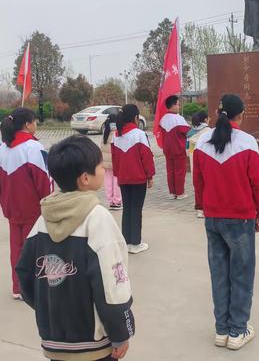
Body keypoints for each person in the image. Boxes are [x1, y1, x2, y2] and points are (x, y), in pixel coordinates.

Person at [16, 135, 134, 361]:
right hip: (93, 344)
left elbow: (24, 272)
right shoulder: (97, 219)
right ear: (85, 178)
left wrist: (46, 310)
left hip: (54, 339)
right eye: (100, 165)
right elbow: (112, 285)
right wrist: (121, 333)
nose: (104, 168)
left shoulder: (43, 219)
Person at [193, 94, 259, 351]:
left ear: (217, 112)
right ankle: (238, 330)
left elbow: (198, 182)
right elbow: (257, 183)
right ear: (241, 115)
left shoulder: (202, 141)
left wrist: (202, 206)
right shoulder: (247, 143)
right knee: (242, 274)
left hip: (212, 218)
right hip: (240, 217)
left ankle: (221, 330)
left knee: (219, 274)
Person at [0, 108, 52, 300]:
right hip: (32, 208)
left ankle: (18, 287)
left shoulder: (3, 147)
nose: (36, 124)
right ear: (28, 124)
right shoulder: (33, 147)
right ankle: (34, 289)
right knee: (36, 249)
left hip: (11, 207)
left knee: (17, 248)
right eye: (35, 121)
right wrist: (48, 203)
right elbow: (43, 180)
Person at [111, 104, 155, 254]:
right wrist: (150, 176)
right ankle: (135, 243)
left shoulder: (116, 134)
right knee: (136, 209)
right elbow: (147, 157)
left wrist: (118, 174)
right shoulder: (139, 134)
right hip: (138, 178)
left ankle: (127, 240)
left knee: (127, 209)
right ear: (136, 118)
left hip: (123, 178)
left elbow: (114, 158)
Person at [160, 95, 190, 200]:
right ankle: (180, 193)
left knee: (170, 171)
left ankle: (172, 192)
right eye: (178, 104)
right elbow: (188, 132)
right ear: (172, 105)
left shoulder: (162, 119)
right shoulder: (179, 119)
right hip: (178, 149)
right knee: (180, 171)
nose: (179, 106)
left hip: (167, 149)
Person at [187, 110, 211, 218]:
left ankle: (199, 209)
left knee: (197, 183)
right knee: (207, 182)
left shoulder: (191, 132)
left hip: (193, 155)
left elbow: (187, 148)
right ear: (205, 120)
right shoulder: (208, 131)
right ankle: (206, 207)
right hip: (205, 155)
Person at [101, 114, 122, 210]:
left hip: (106, 162)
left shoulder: (105, 132)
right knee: (116, 180)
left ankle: (110, 201)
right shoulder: (117, 132)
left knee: (108, 180)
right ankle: (117, 201)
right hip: (116, 160)